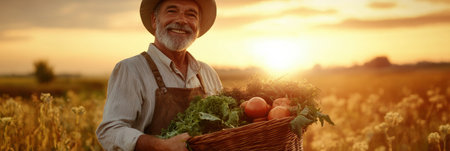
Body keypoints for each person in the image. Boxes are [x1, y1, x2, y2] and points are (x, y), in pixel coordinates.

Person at [96, 0, 222, 150]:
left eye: (191, 14)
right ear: (154, 21)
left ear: (198, 27)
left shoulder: (208, 73)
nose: (181, 20)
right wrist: (162, 146)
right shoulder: (131, 69)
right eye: (172, 11)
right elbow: (110, 131)